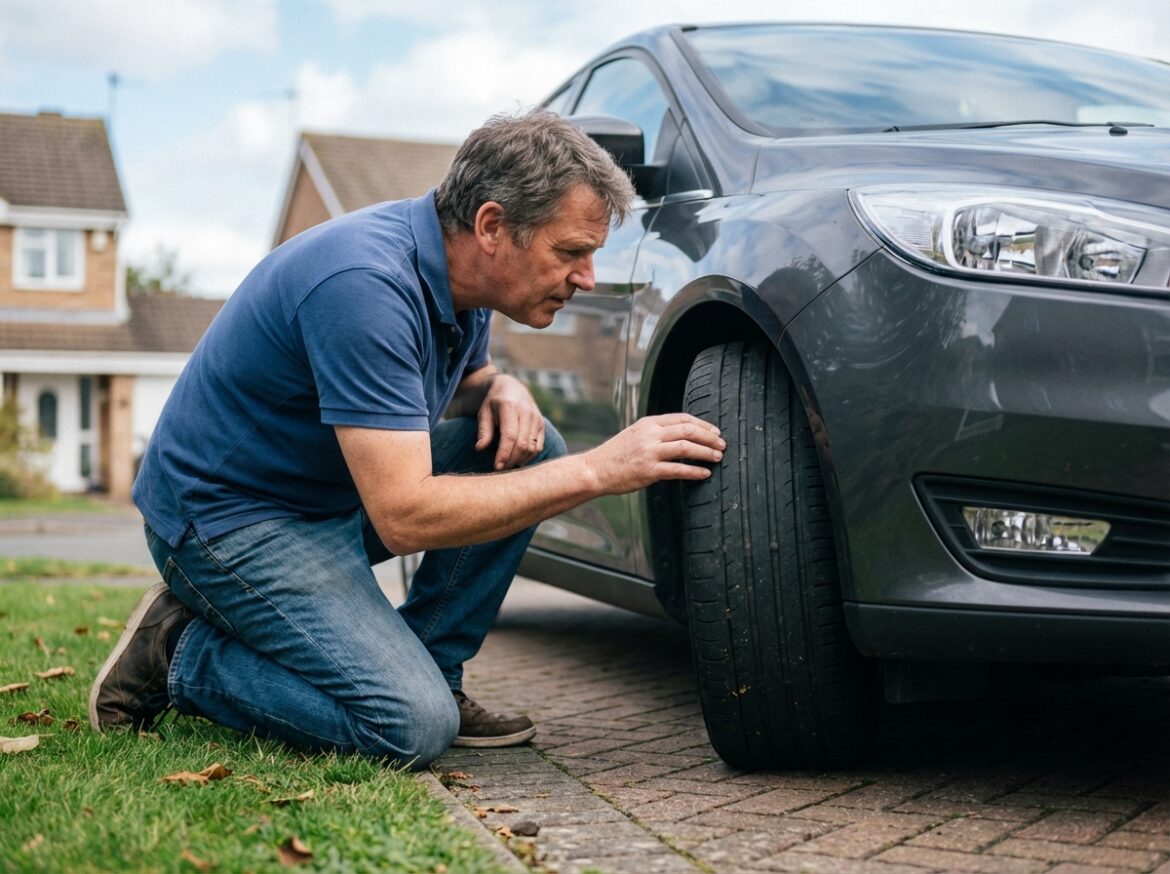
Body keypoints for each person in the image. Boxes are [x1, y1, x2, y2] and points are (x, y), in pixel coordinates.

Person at [89, 109, 725, 767]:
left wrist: (496, 386)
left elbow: (458, 379)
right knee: (411, 727)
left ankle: (432, 668)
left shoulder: (460, 281)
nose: (587, 278)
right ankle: (178, 656)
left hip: (325, 498)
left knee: (531, 449)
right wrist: (601, 470)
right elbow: (403, 516)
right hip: (225, 521)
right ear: (491, 226)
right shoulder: (364, 287)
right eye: (570, 252)